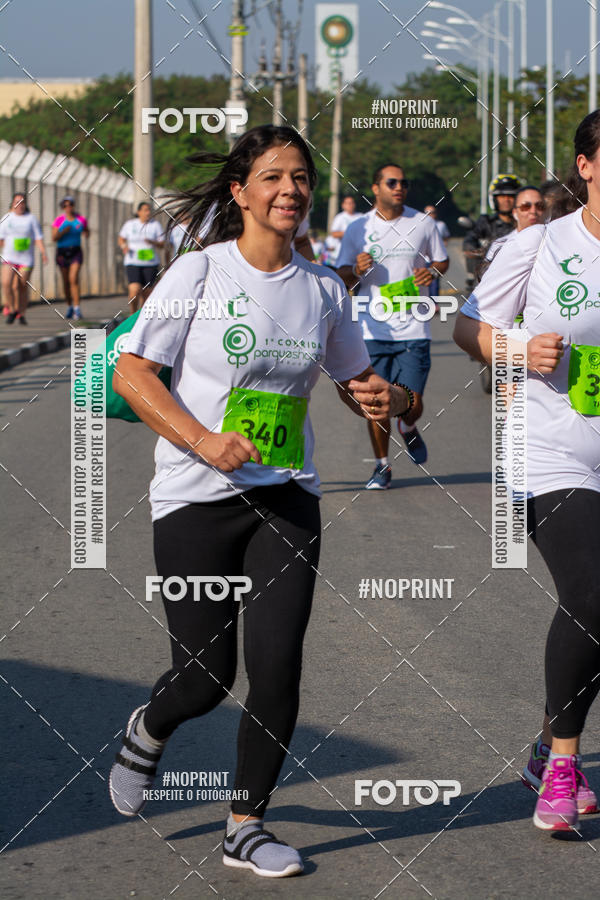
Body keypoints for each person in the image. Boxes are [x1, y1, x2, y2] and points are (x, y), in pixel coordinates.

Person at [109, 124, 411, 876]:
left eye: (301, 177)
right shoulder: (200, 275)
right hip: (194, 499)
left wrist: (386, 397)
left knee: (277, 668)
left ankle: (246, 823)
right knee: (207, 679)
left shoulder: (322, 290)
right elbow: (133, 372)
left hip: (285, 499)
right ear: (241, 192)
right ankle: (149, 726)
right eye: (273, 177)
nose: (290, 190)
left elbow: (358, 384)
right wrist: (202, 439)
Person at [454, 109, 600, 833]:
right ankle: (565, 768)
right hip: (550, 451)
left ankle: (547, 743)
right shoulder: (540, 243)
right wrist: (518, 349)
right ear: (587, 166)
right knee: (592, 589)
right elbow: (465, 328)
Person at [337, 163, 448, 488]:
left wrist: (433, 272)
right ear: (375, 188)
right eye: (391, 182)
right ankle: (382, 466)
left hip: (414, 327)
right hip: (372, 330)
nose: (399, 187)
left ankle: (409, 427)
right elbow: (340, 273)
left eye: (403, 182)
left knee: (412, 402)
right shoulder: (358, 228)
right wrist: (355, 270)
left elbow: (441, 260)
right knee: (375, 401)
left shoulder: (423, 223)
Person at [462, 173, 521, 290]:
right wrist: (482, 252)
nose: (506, 200)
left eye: (511, 196)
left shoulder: (524, 224)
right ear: (494, 198)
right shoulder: (486, 222)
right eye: (501, 196)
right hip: (488, 279)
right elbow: (469, 243)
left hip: (518, 278)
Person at [0, 192, 47, 325]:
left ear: (25, 205)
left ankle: (21, 313)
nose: (19, 205)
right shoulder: (7, 218)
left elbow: (38, 237)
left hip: (26, 259)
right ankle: (12, 309)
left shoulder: (31, 219)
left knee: (21, 285)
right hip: (9, 257)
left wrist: (43, 253)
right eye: (17, 202)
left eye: (22, 202)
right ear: (12, 204)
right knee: (6, 283)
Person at [118, 202, 164, 313]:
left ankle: (141, 316)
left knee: (147, 294)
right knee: (134, 290)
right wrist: (124, 246)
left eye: (149, 210)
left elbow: (162, 244)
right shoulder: (130, 224)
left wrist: (152, 242)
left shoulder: (155, 225)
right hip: (133, 262)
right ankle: (132, 314)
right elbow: (121, 238)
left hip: (150, 263)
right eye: (145, 210)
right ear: (139, 212)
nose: (148, 212)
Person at [52, 195, 89, 320]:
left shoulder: (81, 219)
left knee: (73, 279)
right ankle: (69, 306)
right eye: (65, 205)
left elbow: (87, 231)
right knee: (66, 281)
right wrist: (63, 231)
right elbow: (54, 238)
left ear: (73, 206)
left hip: (76, 251)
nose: (68, 208)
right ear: (63, 207)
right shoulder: (59, 220)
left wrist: (85, 231)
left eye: (70, 205)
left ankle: (77, 308)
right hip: (62, 251)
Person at [327, 195, 361, 266]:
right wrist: (350, 233)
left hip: (358, 252)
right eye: (348, 203)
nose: (350, 205)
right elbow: (334, 234)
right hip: (343, 253)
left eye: (352, 203)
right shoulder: (340, 217)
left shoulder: (360, 216)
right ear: (343, 205)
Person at [424, 204, 450, 295]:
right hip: (424, 260)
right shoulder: (420, 225)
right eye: (427, 213)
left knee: (434, 283)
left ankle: (434, 304)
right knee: (423, 283)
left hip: (436, 260)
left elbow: (446, 237)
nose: (430, 215)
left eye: (432, 213)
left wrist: (442, 246)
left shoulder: (441, 225)